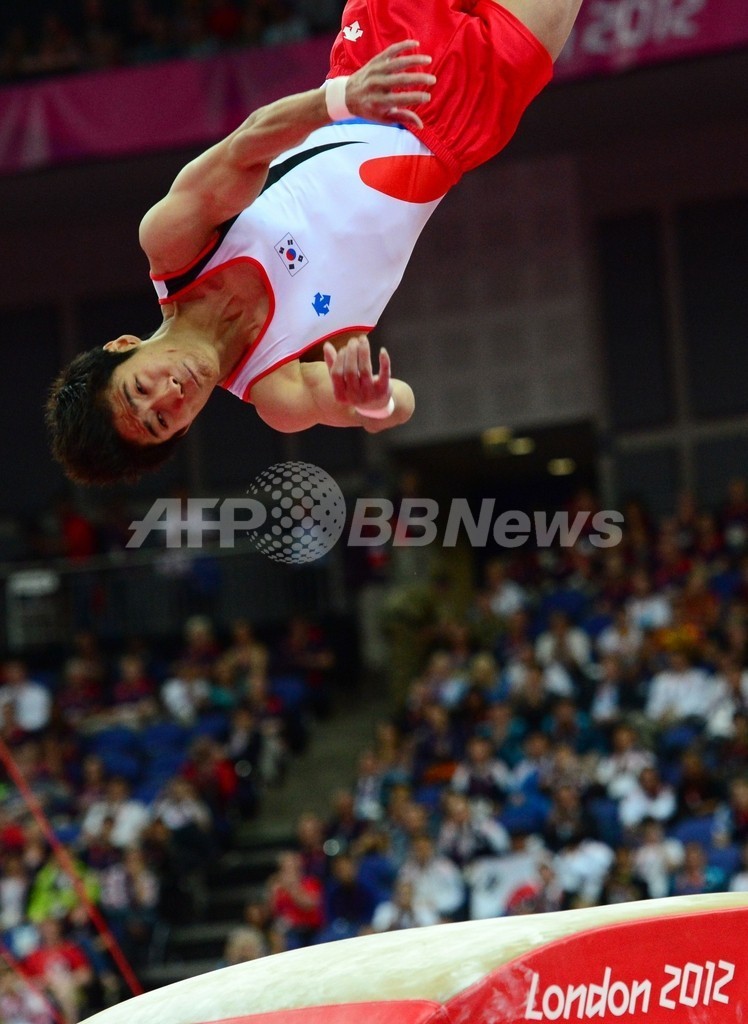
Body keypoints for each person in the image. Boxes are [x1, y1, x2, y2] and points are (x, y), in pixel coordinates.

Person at [47, 0, 583, 484]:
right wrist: (373, 404)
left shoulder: (175, 247)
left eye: (139, 389)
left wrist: (346, 96)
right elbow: (400, 404)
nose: (170, 394)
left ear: (123, 347)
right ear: (183, 431)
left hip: (383, 64)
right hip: (466, 119)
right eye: (161, 422)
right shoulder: (278, 391)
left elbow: (246, 146)